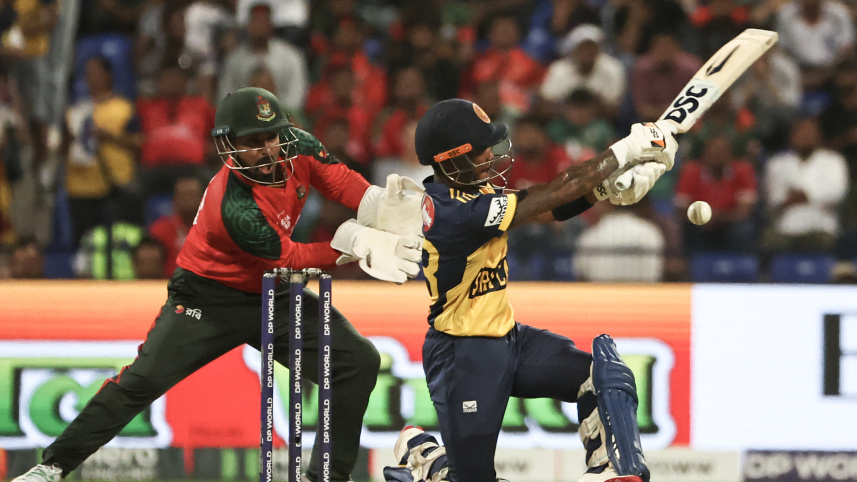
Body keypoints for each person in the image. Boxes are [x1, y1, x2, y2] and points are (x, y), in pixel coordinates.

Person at [12, 87, 422, 482]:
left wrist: (374, 203)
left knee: (356, 361)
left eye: (272, 137)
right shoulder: (233, 205)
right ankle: (52, 467)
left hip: (270, 294)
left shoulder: (299, 145)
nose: (267, 149)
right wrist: (352, 247)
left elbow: (340, 183)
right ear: (229, 146)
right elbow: (289, 259)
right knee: (142, 382)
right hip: (208, 299)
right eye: (253, 142)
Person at [385, 99, 677, 482]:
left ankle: (609, 469)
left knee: (602, 376)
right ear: (450, 159)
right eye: (478, 150)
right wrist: (623, 151)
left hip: (508, 339)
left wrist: (608, 190)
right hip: (462, 356)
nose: (489, 155)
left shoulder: (472, 191)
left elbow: (547, 210)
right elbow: (558, 190)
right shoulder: (453, 213)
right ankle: (426, 458)